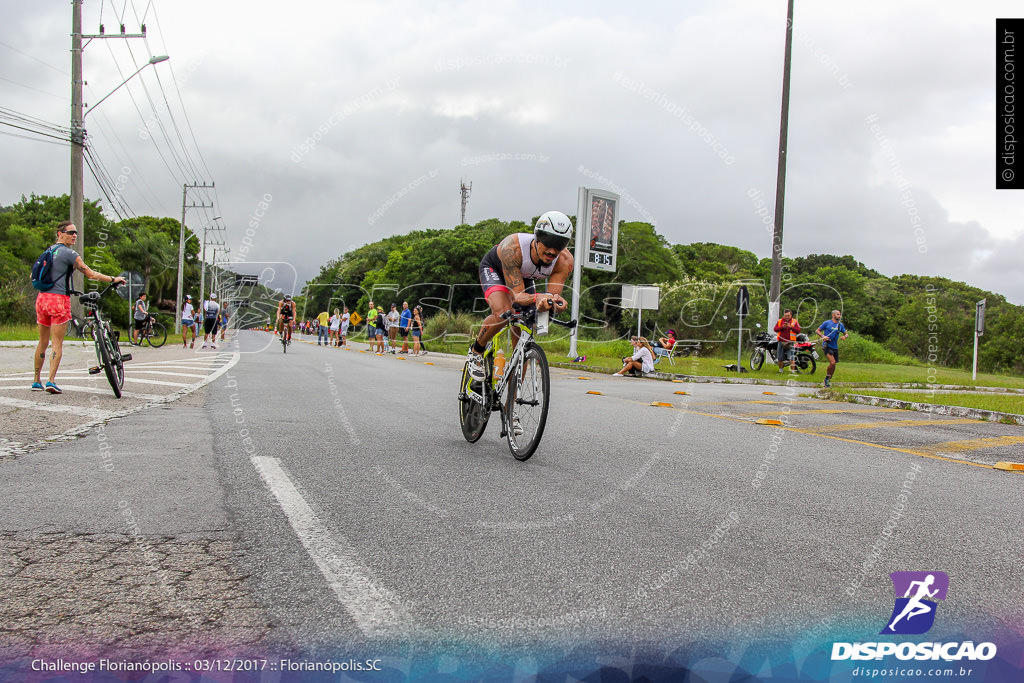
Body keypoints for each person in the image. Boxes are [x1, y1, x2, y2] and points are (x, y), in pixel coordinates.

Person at [465, 210, 574, 381]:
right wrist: (536, 298)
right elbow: (517, 296)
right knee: (504, 311)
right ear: (537, 238)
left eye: (559, 245)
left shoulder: (564, 261)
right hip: (496, 269)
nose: (552, 251)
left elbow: (550, 300)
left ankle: (511, 404)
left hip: (523, 278)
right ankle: (476, 350)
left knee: (523, 339)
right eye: (548, 242)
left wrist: (554, 304)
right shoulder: (513, 248)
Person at [32, 220, 126, 394]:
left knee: (42, 342)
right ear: (60, 234)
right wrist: (113, 279)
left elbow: (33, 274)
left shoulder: (47, 252)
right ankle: (51, 381)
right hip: (58, 301)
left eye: (75, 233)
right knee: (57, 343)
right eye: (70, 232)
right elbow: (90, 273)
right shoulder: (69, 253)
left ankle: (36, 381)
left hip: (42, 300)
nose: (74, 235)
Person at [815, 309, 848, 388]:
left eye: (839, 314)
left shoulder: (840, 325)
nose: (839, 316)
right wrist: (823, 336)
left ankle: (828, 379)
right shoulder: (827, 323)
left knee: (834, 364)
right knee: (832, 362)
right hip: (827, 345)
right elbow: (817, 330)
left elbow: (846, 333)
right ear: (833, 315)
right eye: (837, 314)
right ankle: (827, 379)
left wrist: (844, 336)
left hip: (835, 346)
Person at [774, 308, 801, 373]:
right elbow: (775, 329)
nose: (787, 317)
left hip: (790, 342)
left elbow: (798, 331)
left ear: (791, 315)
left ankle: (793, 371)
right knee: (780, 357)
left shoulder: (794, 321)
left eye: (788, 315)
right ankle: (781, 370)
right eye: (785, 316)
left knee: (791, 357)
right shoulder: (780, 321)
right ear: (783, 315)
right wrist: (782, 327)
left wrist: (791, 327)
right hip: (781, 341)